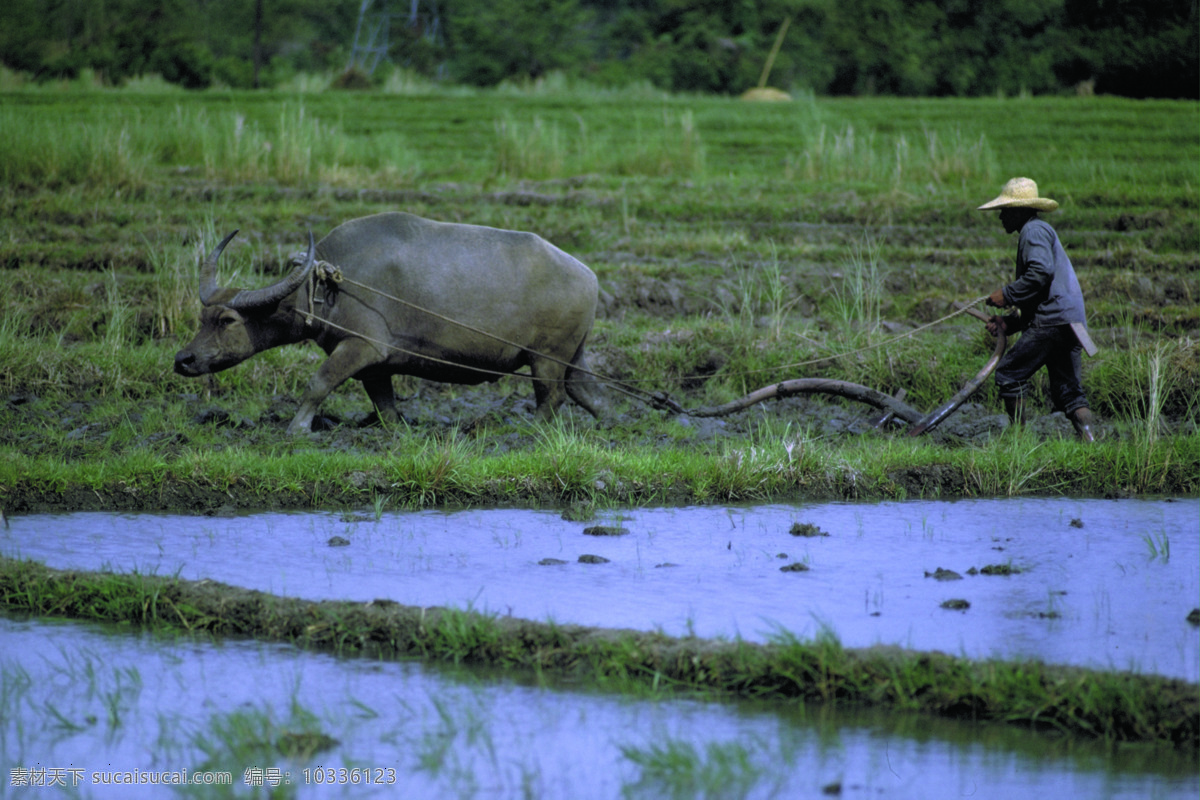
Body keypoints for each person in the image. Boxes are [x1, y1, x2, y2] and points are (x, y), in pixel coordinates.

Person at [978, 177, 1096, 442]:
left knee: (1009, 374)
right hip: (1069, 321)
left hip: (1053, 321)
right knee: (1069, 391)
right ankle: (1091, 444)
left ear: (1019, 211)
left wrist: (1006, 294)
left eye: (1004, 211)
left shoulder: (1033, 231)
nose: (1000, 218)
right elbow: (1042, 292)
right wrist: (1011, 323)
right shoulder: (1040, 231)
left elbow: (1040, 273)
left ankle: (1018, 441)